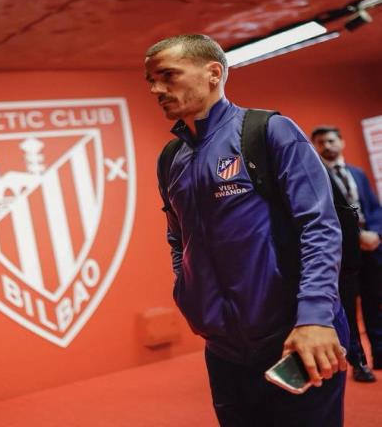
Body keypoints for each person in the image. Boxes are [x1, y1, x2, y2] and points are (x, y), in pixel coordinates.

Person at [145, 34, 349, 427]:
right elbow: (178, 238)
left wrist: (315, 317)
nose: (156, 89)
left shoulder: (268, 131)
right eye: (151, 80)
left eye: (168, 75)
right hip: (223, 347)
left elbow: (319, 227)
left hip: (295, 333)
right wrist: (190, 295)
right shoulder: (171, 158)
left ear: (213, 73)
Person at [312, 126, 382, 380]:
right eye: (321, 142)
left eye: (331, 140)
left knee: (375, 303)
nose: (327, 146)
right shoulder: (315, 177)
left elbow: (374, 207)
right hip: (342, 253)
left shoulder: (357, 173)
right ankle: (358, 362)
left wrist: (376, 233)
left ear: (341, 142)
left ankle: (380, 353)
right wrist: (356, 236)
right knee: (348, 311)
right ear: (315, 147)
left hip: (373, 249)